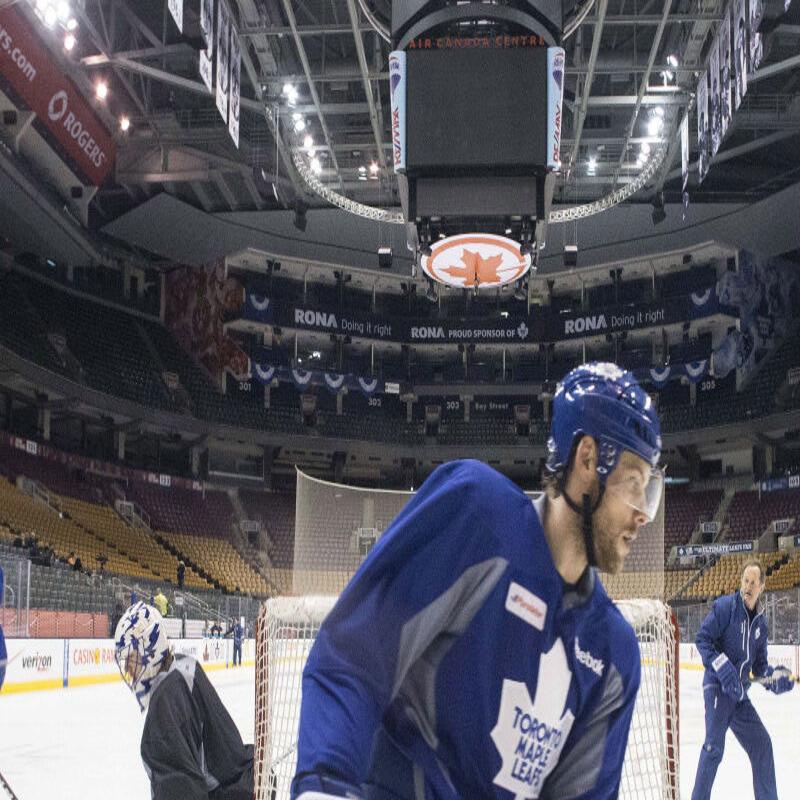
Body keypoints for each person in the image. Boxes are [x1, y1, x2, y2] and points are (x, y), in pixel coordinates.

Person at [291, 362, 665, 800]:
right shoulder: (477, 518)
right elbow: (353, 656)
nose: (643, 512)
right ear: (587, 459)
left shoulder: (613, 653)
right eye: (634, 483)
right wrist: (326, 784)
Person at [113, 602, 254, 799]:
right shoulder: (184, 666)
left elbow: (182, 790)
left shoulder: (163, 711)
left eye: (132, 659)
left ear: (150, 648)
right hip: (246, 782)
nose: (129, 669)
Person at [690, 560, 794, 800]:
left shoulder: (761, 625)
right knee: (713, 749)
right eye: (745, 581)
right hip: (717, 688)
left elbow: (759, 669)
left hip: (738, 695)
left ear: (762, 587)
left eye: (753, 582)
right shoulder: (726, 608)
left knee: (762, 746)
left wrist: (775, 679)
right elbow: (703, 640)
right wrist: (722, 666)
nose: (748, 586)